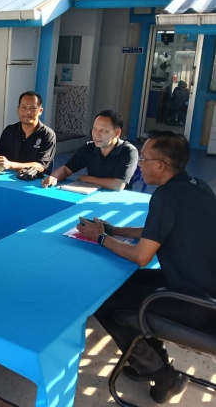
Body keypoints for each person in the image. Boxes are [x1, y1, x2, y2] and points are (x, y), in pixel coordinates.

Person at [76, 131, 216, 404]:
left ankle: (162, 375)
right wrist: (115, 230)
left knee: (103, 301)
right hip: (200, 286)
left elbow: (141, 256)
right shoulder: (196, 185)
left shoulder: (166, 195)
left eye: (144, 159)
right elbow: (156, 230)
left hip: (197, 303)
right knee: (121, 287)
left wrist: (101, 238)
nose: (140, 165)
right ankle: (153, 361)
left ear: (161, 165)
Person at [42, 110, 138, 191]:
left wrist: (87, 179)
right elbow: (66, 169)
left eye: (102, 130)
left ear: (117, 132)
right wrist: (54, 178)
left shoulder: (129, 151)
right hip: (91, 193)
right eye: (94, 129)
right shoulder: (89, 147)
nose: (96, 134)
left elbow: (118, 185)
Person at [0, 91, 56, 173]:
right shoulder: (9, 130)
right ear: (18, 109)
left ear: (40, 111)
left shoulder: (47, 134)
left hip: (33, 178)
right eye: (24, 107)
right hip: (6, 176)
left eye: (33, 108)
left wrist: (10, 165)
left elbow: (40, 166)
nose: (28, 112)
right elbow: (0, 156)